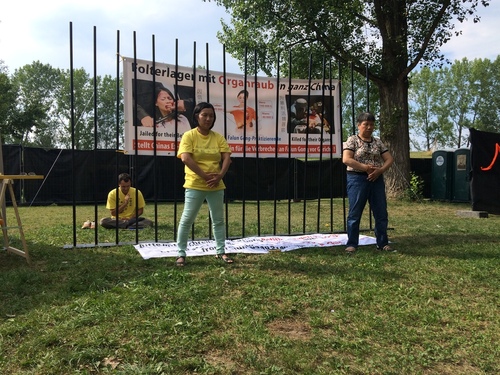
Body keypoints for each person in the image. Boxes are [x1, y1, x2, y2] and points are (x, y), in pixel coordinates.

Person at [175, 102, 233, 266]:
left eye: (211, 116)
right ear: (196, 116)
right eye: (204, 115)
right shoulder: (189, 136)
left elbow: (227, 157)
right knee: (187, 220)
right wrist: (206, 176)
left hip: (216, 185)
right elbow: (186, 158)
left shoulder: (218, 137)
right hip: (195, 184)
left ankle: (221, 251)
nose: (208, 118)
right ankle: (181, 254)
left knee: (218, 220)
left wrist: (219, 175)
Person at [342, 112, 394, 254]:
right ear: (359, 125)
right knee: (355, 212)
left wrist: (380, 170)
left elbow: (389, 159)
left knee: (380, 212)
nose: (369, 127)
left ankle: (382, 242)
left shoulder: (378, 141)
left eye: (372, 124)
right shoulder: (352, 140)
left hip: (376, 179)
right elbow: (346, 159)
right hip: (357, 178)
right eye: (366, 124)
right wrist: (366, 168)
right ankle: (352, 243)